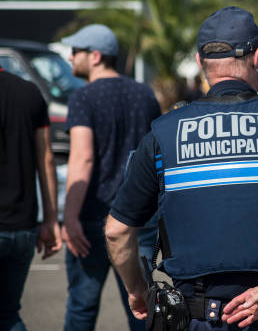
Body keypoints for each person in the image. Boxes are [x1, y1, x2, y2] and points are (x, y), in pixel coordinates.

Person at [105, 6, 258, 331]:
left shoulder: (163, 134)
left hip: (194, 317)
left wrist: (138, 291)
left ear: (200, 63)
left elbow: (116, 231)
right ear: (257, 58)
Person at [60, 24, 161, 331]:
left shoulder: (83, 98)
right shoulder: (145, 94)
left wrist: (69, 216)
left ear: (95, 56)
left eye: (75, 52)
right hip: (139, 217)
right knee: (143, 308)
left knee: (81, 307)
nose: (70, 58)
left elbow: (82, 157)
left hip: (93, 216)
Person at [0, 69, 62, 331]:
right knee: (8, 314)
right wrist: (50, 220)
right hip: (23, 227)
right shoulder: (29, 92)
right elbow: (46, 158)